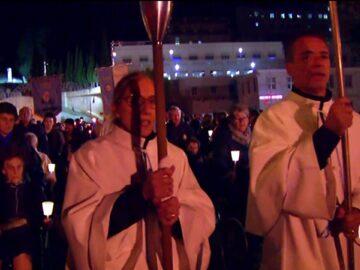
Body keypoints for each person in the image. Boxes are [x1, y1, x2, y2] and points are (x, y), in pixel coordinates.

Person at [62, 72, 215, 270]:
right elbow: (81, 227)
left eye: (152, 101)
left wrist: (178, 217)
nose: (144, 110)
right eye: (134, 100)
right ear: (115, 107)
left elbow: (201, 216)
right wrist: (141, 196)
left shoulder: (175, 156)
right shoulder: (91, 157)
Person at [246, 32, 360, 270]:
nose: (317, 63)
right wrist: (328, 134)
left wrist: (356, 211)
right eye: (306, 57)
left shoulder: (355, 121)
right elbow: (268, 188)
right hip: (299, 248)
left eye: (324, 56)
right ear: (290, 68)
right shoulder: (273, 120)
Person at [0, 147, 46, 270]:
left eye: (19, 167)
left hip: (24, 236)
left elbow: (38, 217)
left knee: (22, 256)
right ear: (4, 170)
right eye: (11, 167)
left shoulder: (32, 191)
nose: (15, 171)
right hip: (3, 236)